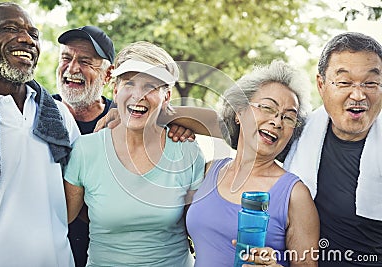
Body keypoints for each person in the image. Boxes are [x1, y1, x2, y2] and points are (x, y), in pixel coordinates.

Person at [63, 41, 206, 266]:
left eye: (151, 86)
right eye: (130, 83)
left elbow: (200, 230)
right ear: (116, 89)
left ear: (166, 96)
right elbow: (62, 219)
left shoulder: (186, 150)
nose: (138, 95)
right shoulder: (86, 150)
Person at [184, 60, 319, 266]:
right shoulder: (209, 169)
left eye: (289, 118)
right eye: (267, 107)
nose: (277, 122)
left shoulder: (296, 195)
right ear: (239, 112)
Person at [0, 3, 79, 267]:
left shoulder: (59, 115)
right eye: (10, 29)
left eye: (34, 35)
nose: (26, 40)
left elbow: (79, 188)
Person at [284, 32, 382, 266]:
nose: (358, 95)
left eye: (370, 83)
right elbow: (237, 128)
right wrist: (179, 119)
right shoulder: (297, 133)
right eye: (344, 82)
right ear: (321, 84)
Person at [54, 25, 115, 267]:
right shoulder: (37, 113)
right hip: (51, 253)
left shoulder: (124, 121)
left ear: (108, 76)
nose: (72, 68)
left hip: (108, 256)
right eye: (66, 58)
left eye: (85, 61)